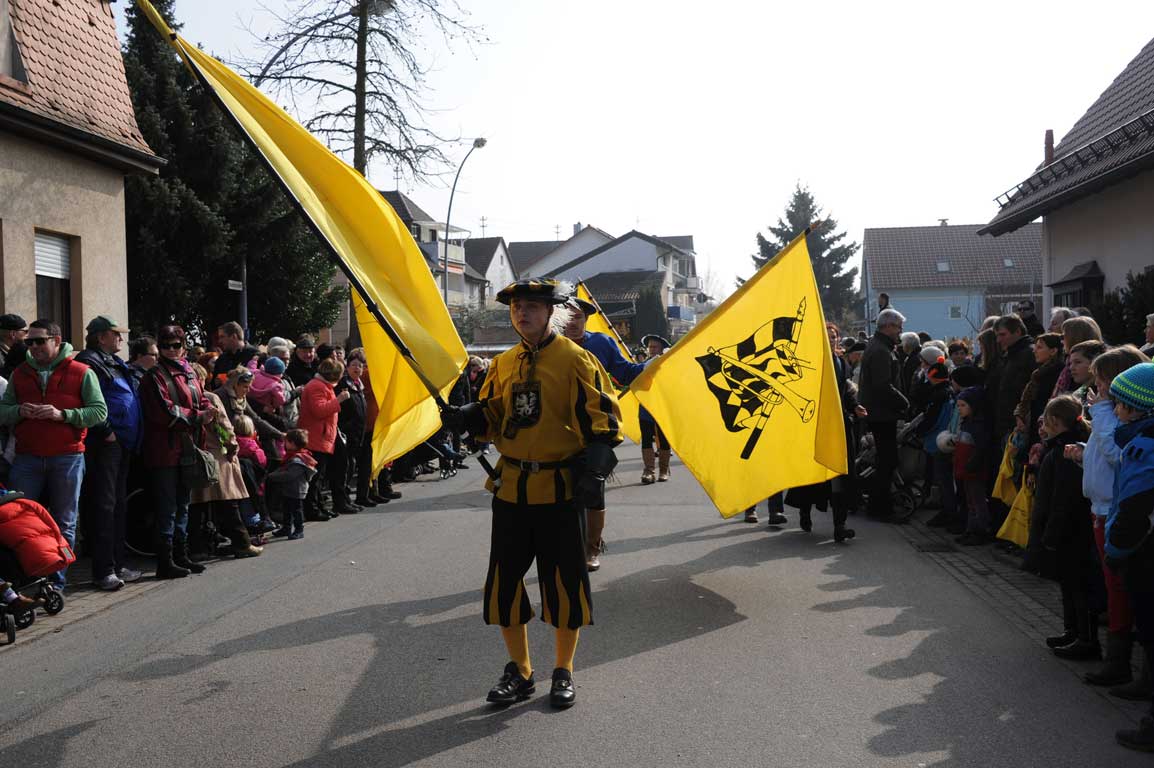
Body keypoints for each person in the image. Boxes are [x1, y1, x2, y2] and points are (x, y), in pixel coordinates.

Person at [445, 278, 621, 710]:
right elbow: (493, 416)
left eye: (532, 307)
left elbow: (604, 418)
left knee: (564, 584)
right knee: (504, 583)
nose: (522, 313)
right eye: (516, 307)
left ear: (550, 313)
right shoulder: (503, 363)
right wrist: (466, 417)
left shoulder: (576, 359)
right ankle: (520, 671)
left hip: (560, 490)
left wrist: (596, 470)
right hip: (512, 490)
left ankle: (563, 670)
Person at [0, 319, 108, 590]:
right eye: (29, 341)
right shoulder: (20, 373)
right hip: (27, 458)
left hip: (67, 457)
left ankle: (56, 584)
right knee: (18, 521)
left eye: (40, 341)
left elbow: (99, 412)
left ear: (56, 341)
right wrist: (18, 411)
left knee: (64, 522)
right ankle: (23, 582)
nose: (34, 346)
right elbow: (2, 411)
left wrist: (63, 415)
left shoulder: (81, 371)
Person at [1070, 346, 1150, 691]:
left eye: (1102, 380)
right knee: (1118, 589)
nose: (1098, 387)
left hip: (1116, 514)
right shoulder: (1115, 414)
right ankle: (1119, 660)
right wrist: (1084, 455)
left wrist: (1102, 411)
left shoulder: (1120, 415)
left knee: (1124, 591)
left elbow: (1118, 454)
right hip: (1104, 508)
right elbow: (1107, 453)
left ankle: (1122, 664)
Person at [560, 295, 644, 571]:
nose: (572, 322)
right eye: (567, 317)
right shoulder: (549, 344)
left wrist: (653, 363)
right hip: (557, 429)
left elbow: (625, 372)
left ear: (586, 319)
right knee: (562, 493)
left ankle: (592, 548)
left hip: (595, 427)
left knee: (593, 489)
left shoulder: (602, 343)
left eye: (578, 317)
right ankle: (567, 545)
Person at [138, 325, 216, 578]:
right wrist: (199, 416)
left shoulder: (189, 371)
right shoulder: (154, 376)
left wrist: (207, 409)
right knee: (167, 506)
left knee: (183, 503)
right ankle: (165, 561)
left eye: (176, 345)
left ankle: (181, 555)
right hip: (165, 449)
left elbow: (201, 397)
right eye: (165, 346)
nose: (171, 350)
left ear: (183, 346)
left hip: (188, 446)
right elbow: (164, 411)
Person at [1105, 362, 1154, 751]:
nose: (1115, 411)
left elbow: (1135, 510)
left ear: (1137, 409)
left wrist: (1115, 549)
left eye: (1118, 404)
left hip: (1145, 555)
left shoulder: (1143, 449)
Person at [75, 316, 144, 590]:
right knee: (104, 506)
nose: (121, 340)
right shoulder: (89, 362)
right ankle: (104, 570)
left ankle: (117, 565)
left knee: (116, 505)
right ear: (101, 336)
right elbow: (89, 400)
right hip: (105, 444)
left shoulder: (111, 361)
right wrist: (106, 431)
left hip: (121, 443)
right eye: (116, 334)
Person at [1036, 395, 1101, 659]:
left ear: (1055, 421)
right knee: (1068, 583)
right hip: (1069, 526)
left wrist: (1051, 533)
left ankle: (1086, 638)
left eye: (1045, 421)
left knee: (1078, 585)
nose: (1042, 427)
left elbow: (1064, 497)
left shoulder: (1067, 451)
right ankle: (1072, 630)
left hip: (1072, 528)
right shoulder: (1059, 447)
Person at [189, 363, 263, 560]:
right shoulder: (209, 397)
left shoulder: (184, 400)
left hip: (194, 455)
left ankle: (198, 548)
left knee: (197, 506)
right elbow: (223, 427)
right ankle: (242, 544)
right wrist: (232, 448)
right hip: (217, 456)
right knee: (229, 503)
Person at [858, 308, 909, 521]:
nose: (900, 331)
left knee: (885, 460)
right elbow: (882, 385)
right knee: (887, 461)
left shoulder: (879, 346)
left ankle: (878, 505)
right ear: (888, 326)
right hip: (882, 413)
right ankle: (881, 508)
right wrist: (904, 402)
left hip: (880, 412)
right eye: (898, 327)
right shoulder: (881, 350)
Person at [298, 358, 351, 520]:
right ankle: (312, 510)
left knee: (320, 476)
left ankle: (319, 506)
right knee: (315, 477)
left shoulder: (322, 385)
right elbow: (319, 410)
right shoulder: (317, 386)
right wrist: (339, 400)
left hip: (322, 436)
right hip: (316, 437)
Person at [952, 386, 991, 545]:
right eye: (958, 405)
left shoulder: (979, 425)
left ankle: (980, 531)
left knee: (977, 501)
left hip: (974, 470)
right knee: (970, 501)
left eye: (963, 405)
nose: (960, 409)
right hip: (965, 469)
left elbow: (981, 448)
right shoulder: (967, 423)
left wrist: (971, 464)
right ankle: (970, 529)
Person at [267, 429, 316, 540]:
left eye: (287, 441)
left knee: (296, 511)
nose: (285, 444)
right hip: (288, 489)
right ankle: (286, 528)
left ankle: (299, 529)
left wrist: (272, 476)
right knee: (286, 510)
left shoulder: (299, 459)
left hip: (296, 490)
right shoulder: (291, 456)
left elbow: (289, 475)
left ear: (292, 443)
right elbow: (283, 469)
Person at [334, 353, 368, 512]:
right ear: (347, 367)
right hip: (346, 433)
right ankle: (341, 502)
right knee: (343, 469)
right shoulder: (343, 384)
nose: (357, 368)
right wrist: (345, 427)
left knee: (351, 466)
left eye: (360, 366)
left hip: (358, 434)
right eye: (353, 365)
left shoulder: (359, 385)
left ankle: (347, 499)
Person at [638, 334, 672, 485]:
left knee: (663, 439)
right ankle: (649, 471)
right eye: (650, 346)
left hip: (662, 407)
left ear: (661, 349)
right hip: (645, 408)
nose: (651, 349)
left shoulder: (667, 366)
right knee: (646, 439)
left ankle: (663, 470)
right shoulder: (643, 365)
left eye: (654, 346)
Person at [212, 321, 260, 385]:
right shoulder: (222, 359)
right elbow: (214, 384)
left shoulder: (255, 355)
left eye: (222, 337)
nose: (220, 341)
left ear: (234, 336)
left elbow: (260, 382)